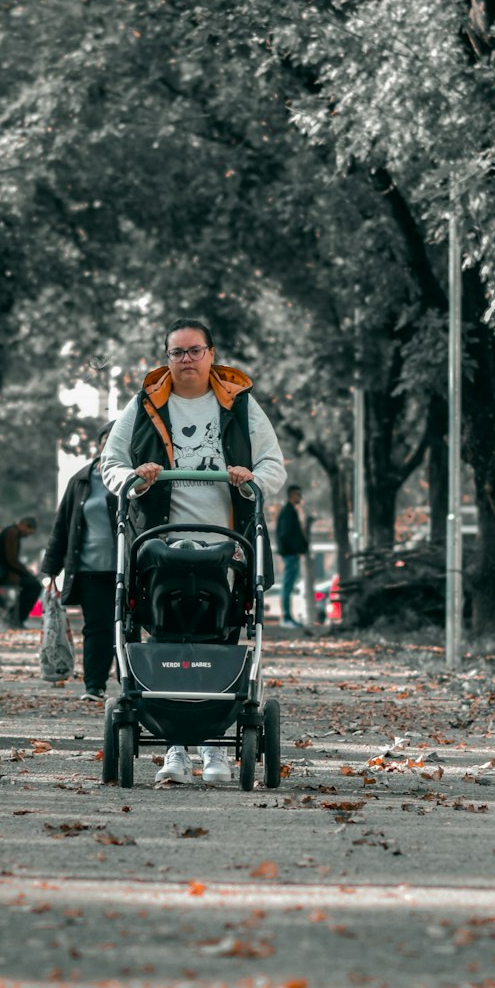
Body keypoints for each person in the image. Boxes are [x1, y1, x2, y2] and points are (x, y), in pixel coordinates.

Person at [101, 318, 287, 784]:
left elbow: (273, 464)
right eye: (177, 352)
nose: (187, 359)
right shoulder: (144, 405)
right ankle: (176, 750)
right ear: (166, 357)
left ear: (211, 354)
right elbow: (111, 462)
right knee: (161, 633)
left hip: (226, 542)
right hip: (159, 542)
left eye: (195, 350)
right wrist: (132, 478)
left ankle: (214, 750)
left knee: (221, 633)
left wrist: (251, 482)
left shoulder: (240, 406)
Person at [42, 422, 117, 701]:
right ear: (99, 444)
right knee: (98, 628)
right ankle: (94, 686)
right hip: (89, 570)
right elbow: (62, 526)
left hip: (128, 570)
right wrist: (51, 569)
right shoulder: (81, 480)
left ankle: (133, 687)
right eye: (108, 439)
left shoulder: (137, 478)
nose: (111, 444)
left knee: (129, 629)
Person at [0, 516, 42, 627]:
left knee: (32, 584)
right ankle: (15, 617)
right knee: (35, 586)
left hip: (3, 572)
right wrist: (25, 572)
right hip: (3, 574)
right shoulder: (12, 533)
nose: (27, 535)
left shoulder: (11, 532)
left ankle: (13, 615)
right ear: (24, 525)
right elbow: (11, 560)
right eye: (29, 532)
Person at [276, 484, 309, 628]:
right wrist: (295, 549)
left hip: (290, 554)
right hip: (290, 555)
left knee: (288, 586)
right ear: (291, 495)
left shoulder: (290, 512)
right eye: (298, 494)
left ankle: (288, 617)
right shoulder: (288, 512)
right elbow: (285, 535)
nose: (300, 497)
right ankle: (287, 618)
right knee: (287, 586)